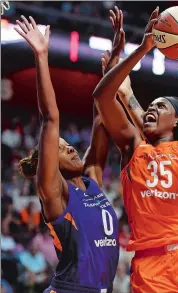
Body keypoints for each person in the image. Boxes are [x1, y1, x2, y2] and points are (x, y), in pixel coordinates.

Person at [94, 6, 178, 293]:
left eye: (160, 106)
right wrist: (142, 49)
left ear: (177, 120)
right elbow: (102, 96)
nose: (151, 109)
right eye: (149, 107)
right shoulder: (132, 146)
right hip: (150, 266)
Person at [15, 16, 119, 293]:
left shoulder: (91, 181)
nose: (71, 147)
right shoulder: (54, 192)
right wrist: (41, 55)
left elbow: (100, 121)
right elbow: (50, 118)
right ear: (50, 165)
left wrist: (111, 73)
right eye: (61, 149)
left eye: (68, 144)